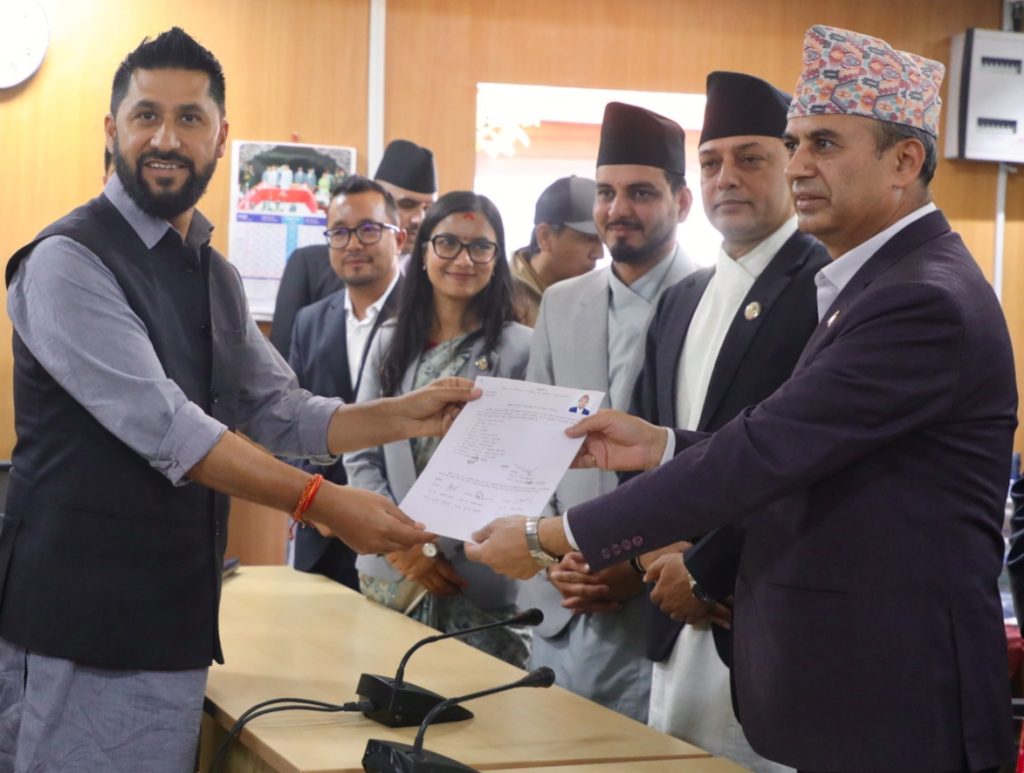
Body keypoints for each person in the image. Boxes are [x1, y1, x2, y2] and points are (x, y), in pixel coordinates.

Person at [468, 25, 1016, 772]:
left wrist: (551, 537)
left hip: (896, 696)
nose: (800, 165)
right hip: (845, 684)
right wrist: (662, 444)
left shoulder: (922, 298)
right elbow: (792, 444)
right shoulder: (877, 281)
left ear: (905, 162)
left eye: (824, 143)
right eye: (794, 144)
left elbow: (764, 452)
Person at [2, 28, 474, 772]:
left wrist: (403, 412)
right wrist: (322, 501)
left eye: (189, 118)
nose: (167, 138)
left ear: (220, 137)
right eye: (146, 115)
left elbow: (281, 411)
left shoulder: (211, 274)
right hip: (76, 624)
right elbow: (172, 430)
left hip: (170, 618)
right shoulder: (67, 261)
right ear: (112, 130)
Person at [633, 70, 828, 772]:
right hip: (668, 603)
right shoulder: (681, 297)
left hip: (758, 606)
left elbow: (805, 461)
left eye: (751, 158)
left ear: (792, 163)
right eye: (711, 162)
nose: (727, 179)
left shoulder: (826, 286)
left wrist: (706, 568)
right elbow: (646, 439)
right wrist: (649, 549)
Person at [516, 101, 696, 721]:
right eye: (605, 192)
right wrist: (553, 553)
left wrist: (631, 559)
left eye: (641, 193)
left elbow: (721, 453)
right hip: (562, 605)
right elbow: (536, 446)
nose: (618, 209)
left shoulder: (712, 301)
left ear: (682, 203)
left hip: (664, 609)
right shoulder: (562, 302)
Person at [345, 191, 532, 665]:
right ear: (424, 250)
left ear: (497, 258)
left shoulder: (522, 350)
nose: (463, 260)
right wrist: (402, 544)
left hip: (477, 571)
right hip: (391, 571)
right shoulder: (388, 341)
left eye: (480, 247)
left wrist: (435, 548)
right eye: (447, 243)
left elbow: (519, 471)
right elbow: (360, 451)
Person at [288, 175, 405, 590]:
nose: (353, 244)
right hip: (321, 537)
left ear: (399, 238)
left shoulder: (425, 317)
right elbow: (289, 420)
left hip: (403, 539)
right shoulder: (309, 321)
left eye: (369, 229)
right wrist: (317, 504)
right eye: (339, 232)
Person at [269, 138, 438, 359]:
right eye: (407, 205)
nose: (419, 219)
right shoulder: (311, 266)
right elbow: (283, 359)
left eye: (428, 208)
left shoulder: (438, 277)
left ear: (398, 240)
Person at [511, 175, 603, 326]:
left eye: (602, 240)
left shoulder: (595, 297)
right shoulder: (499, 296)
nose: (599, 254)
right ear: (544, 237)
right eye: (588, 239)